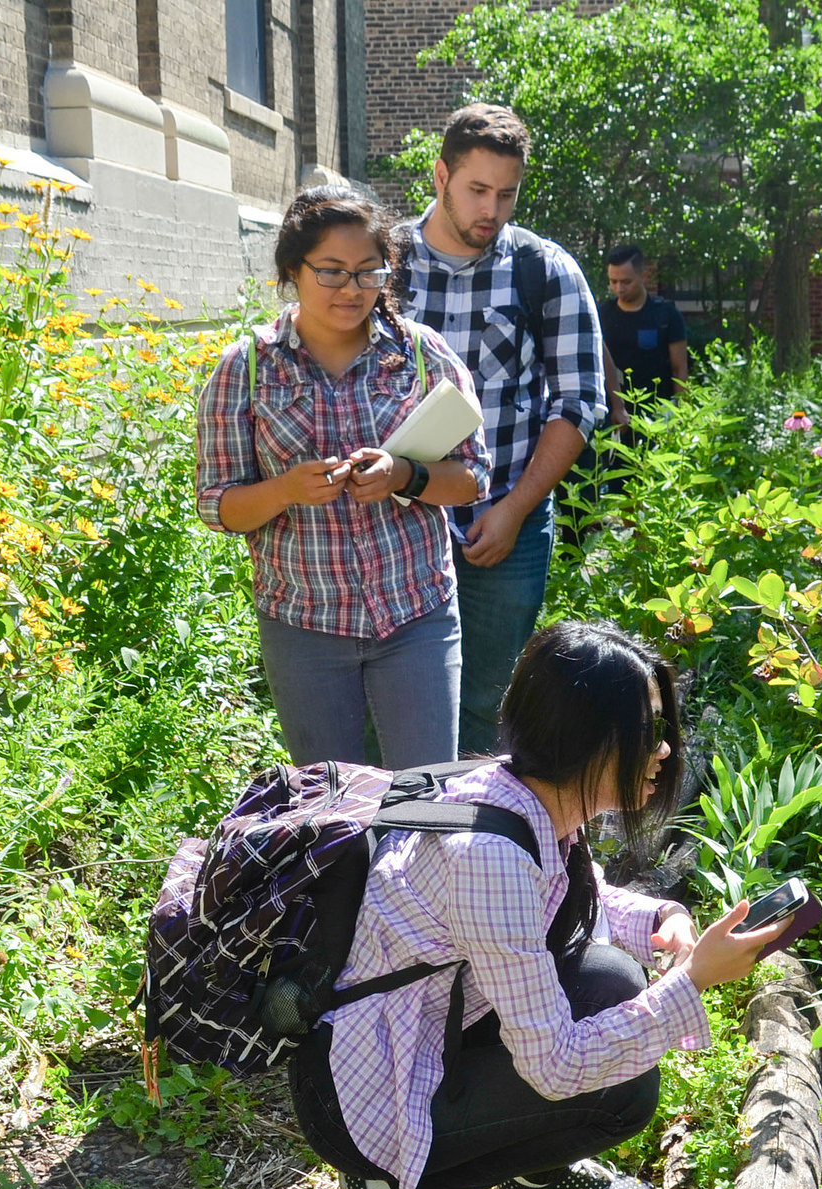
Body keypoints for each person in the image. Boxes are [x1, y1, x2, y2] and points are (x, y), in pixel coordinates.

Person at [288, 620, 788, 1189]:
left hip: (415, 1031)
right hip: (361, 1092)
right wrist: (691, 981)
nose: (664, 749)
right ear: (584, 738)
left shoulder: (517, 790)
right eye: (647, 730)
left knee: (612, 977)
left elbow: (580, 895)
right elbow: (554, 1066)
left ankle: (533, 1179)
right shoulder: (490, 853)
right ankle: (381, 1182)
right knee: (623, 1088)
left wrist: (666, 918)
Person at [196, 186, 490, 770]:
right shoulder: (247, 367)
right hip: (304, 624)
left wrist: (403, 474)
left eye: (367, 272)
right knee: (331, 812)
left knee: (424, 795)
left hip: (416, 613)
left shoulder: (422, 354)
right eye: (330, 272)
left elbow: (473, 478)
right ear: (291, 270)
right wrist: (285, 489)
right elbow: (217, 507)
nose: (351, 289)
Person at [397, 104, 607, 757]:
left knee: (487, 702)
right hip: (395, 529)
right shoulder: (384, 263)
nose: (492, 209)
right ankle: (388, 846)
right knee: (393, 699)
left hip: (504, 527)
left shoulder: (543, 270)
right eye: (477, 190)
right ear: (440, 176)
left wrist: (517, 509)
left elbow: (579, 401)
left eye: (507, 194)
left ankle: (471, 847)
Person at [599, 243, 689, 423]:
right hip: (613, 416)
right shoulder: (601, 315)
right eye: (613, 282)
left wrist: (680, 416)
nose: (619, 288)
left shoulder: (666, 315)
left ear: (642, 276)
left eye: (626, 282)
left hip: (657, 414)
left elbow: (680, 369)